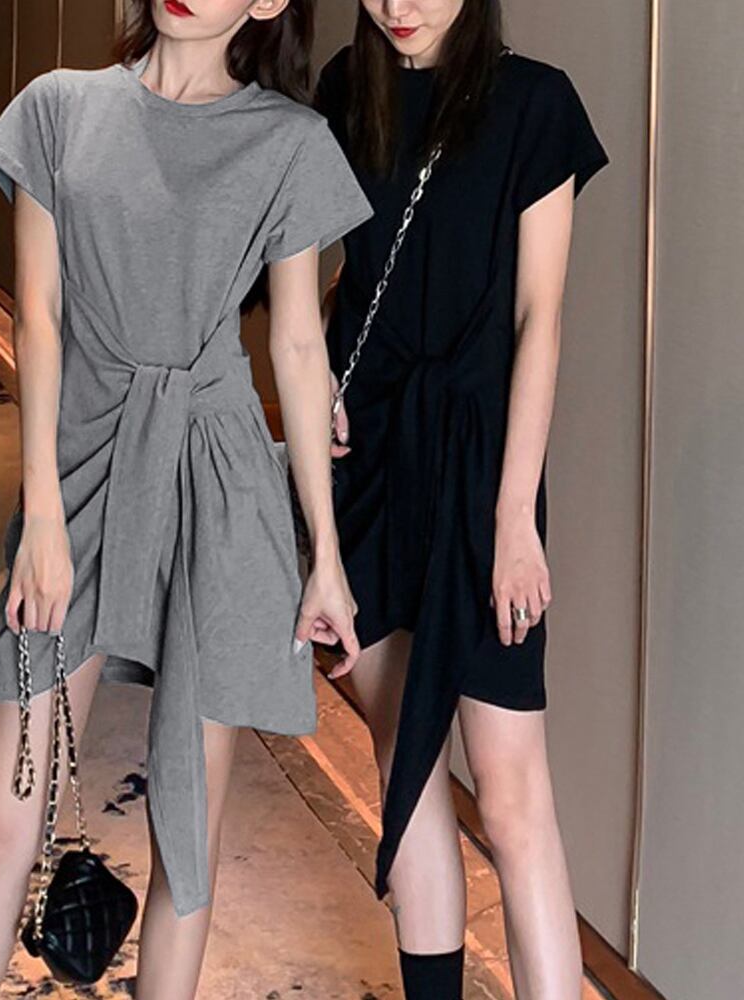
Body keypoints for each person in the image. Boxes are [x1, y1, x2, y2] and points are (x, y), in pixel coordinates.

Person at [0, 1, 372, 998]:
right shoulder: (59, 108)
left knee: (186, 838)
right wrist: (42, 517)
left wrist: (325, 559)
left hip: (219, 484)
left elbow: (299, 346)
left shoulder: (290, 141)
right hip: (82, 469)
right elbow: (39, 320)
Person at [315, 2, 608, 997]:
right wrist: (317, 385)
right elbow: (344, 279)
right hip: (372, 461)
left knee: (512, 787)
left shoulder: (535, 105)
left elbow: (538, 320)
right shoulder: (345, 93)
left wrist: (514, 518)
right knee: (404, 760)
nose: (398, 7)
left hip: (484, 472)